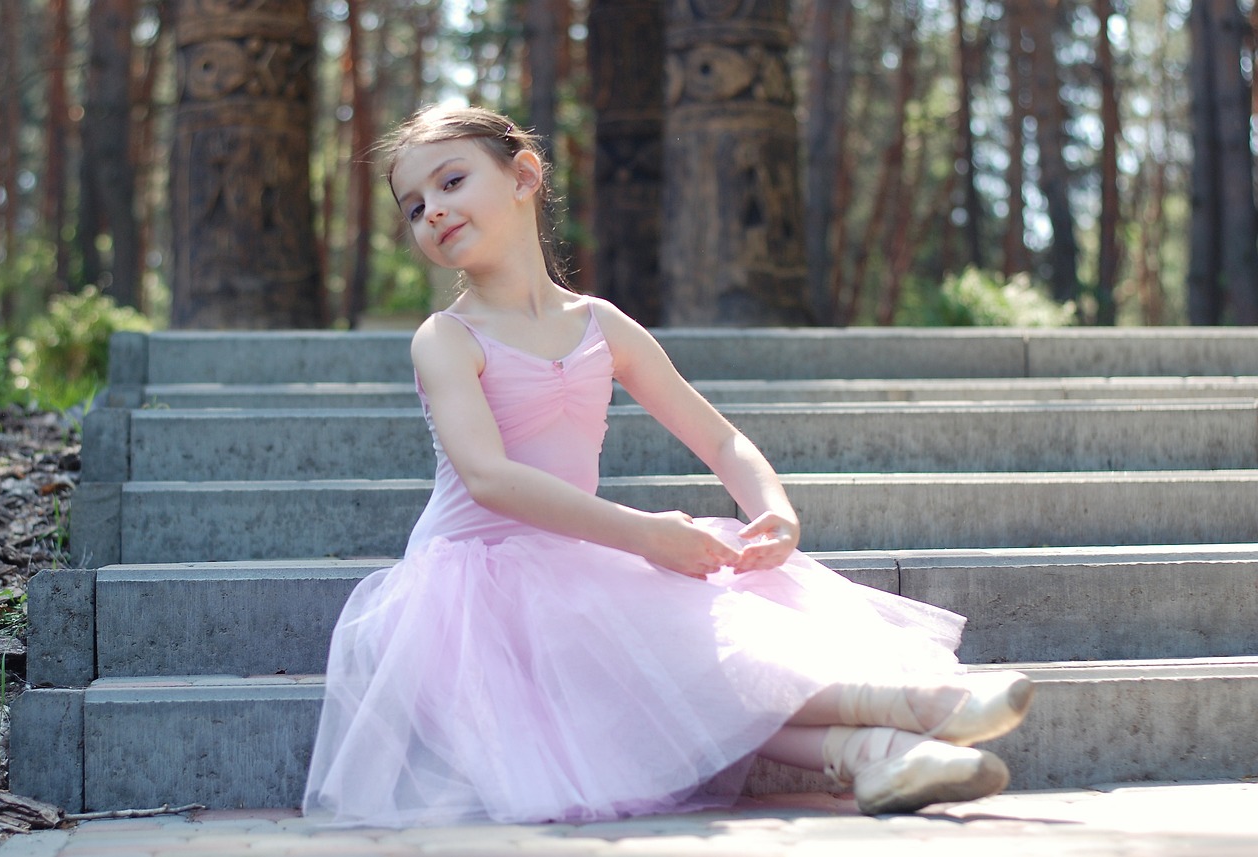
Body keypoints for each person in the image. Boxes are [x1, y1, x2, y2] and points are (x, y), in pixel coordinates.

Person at [302, 104, 1034, 828]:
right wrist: (647, 536)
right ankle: (920, 710)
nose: (431, 210)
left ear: (523, 176)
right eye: (414, 206)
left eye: (452, 181)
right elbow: (489, 479)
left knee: (708, 635)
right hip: (475, 583)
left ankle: (880, 756)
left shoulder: (600, 324)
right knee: (669, 655)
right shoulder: (446, 337)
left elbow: (720, 440)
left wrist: (772, 510)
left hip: (580, 555)